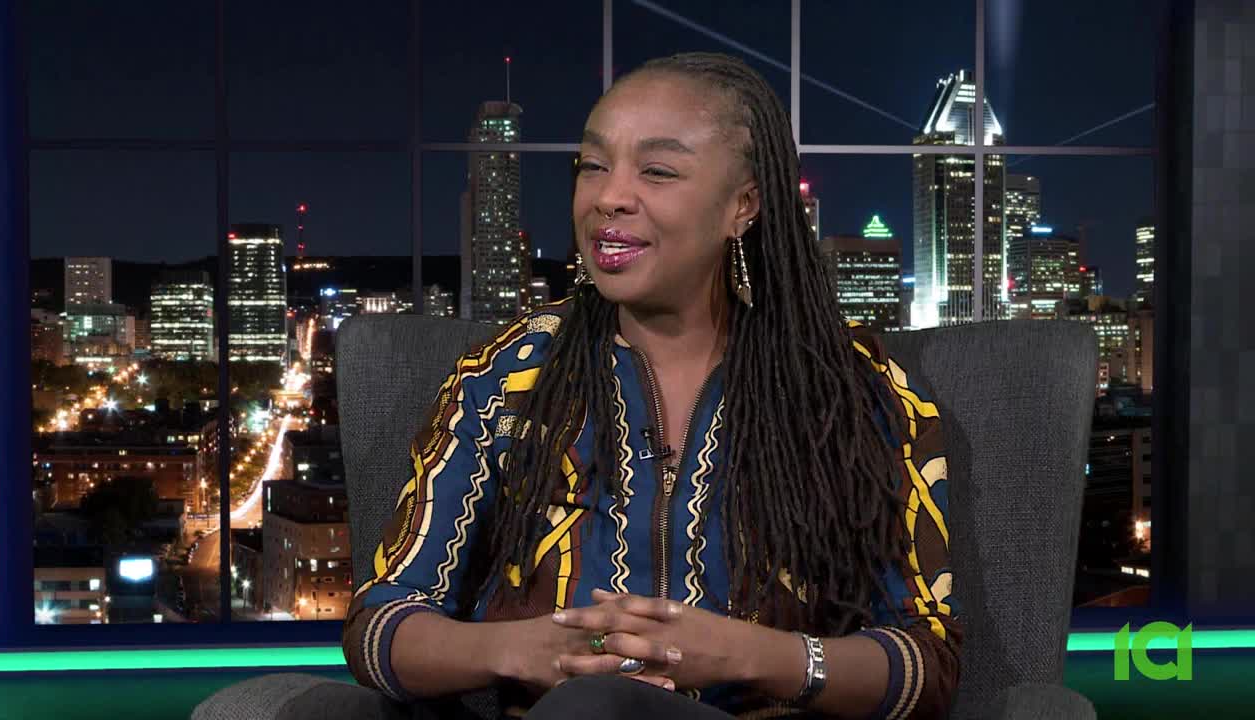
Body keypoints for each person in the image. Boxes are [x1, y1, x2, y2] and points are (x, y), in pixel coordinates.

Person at [343, 52, 961, 719]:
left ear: (743, 205)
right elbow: (381, 626)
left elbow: (926, 665)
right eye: (593, 165)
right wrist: (523, 650)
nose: (609, 196)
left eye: (657, 171)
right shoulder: (508, 375)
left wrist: (749, 655)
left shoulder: (853, 390)